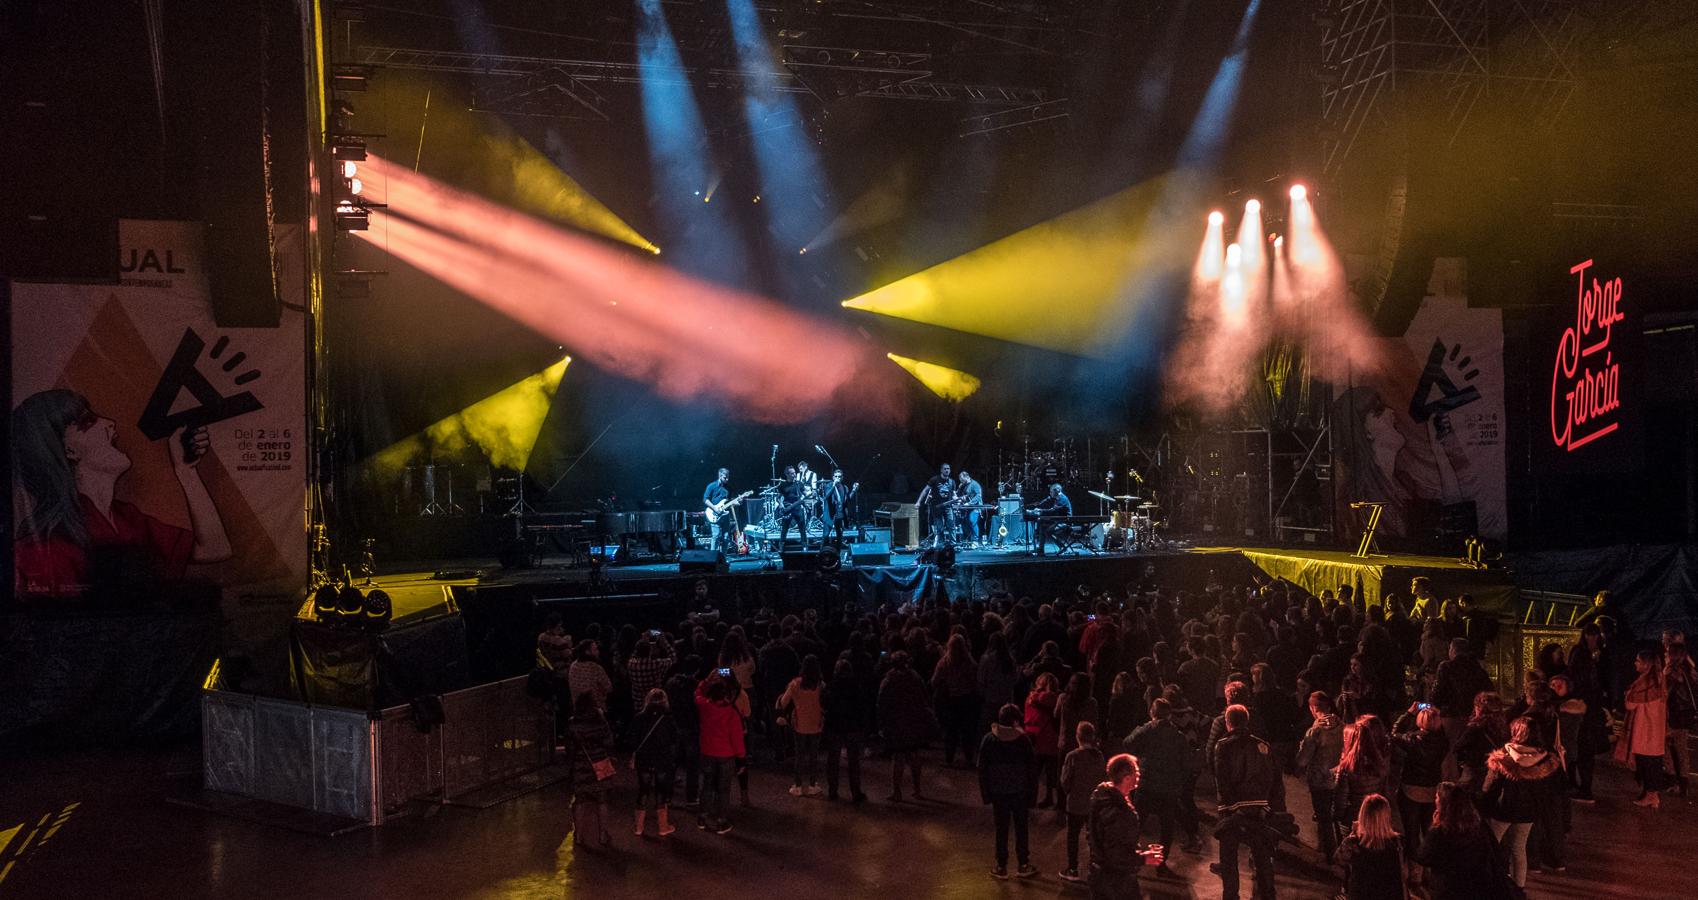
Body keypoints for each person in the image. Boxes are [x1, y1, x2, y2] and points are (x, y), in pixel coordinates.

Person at [11, 389, 232, 596]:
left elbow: (214, 549)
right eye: (87, 422)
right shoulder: (42, 552)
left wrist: (186, 471)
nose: (110, 423)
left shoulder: (127, 519)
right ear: (68, 450)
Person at [1212, 704, 1285, 900]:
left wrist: (1232, 808)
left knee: (1229, 857)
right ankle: (1268, 895)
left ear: (1228, 722)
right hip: (1259, 809)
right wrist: (1267, 806)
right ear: (1246, 721)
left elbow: (1222, 779)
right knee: (1262, 856)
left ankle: (1231, 896)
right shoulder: (1263, 745)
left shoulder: (1224, 745)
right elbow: (1274, 778)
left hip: (1232, 811)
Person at [1479, 716, 1559, 890]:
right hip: (1528, 812)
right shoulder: (1546, 760)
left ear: (1516, 732)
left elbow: (1490, 788)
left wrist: (1482, 807)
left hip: (1502, 810)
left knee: (1491, 846)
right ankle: (1518, 887)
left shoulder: (1503, 758)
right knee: (1519, 849)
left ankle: (1488, 883)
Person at [1123, 697, 1198, 869]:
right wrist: (1178, 781)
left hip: (1147, 784)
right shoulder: (1178, 736)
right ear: (1169, 715)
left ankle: (1130, 856)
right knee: (1167, 826)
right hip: (1169, 787)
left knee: (1136, 822)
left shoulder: (1147, 730)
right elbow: (1187, 763)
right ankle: (1161, 861)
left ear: (1152, 713)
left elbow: (1127, 743)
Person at [1087, 753, 1167, 900]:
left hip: (1098, 876)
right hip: (1116, 883)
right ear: (1127, 778)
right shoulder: (1119, 812)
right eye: (1136, 772)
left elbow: (1094, 837)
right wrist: (1144, 858)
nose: (1139, 776)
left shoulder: (1101, 797)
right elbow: (1116, 855)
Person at [1414, 782, 1511, 900]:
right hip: (1476, 886)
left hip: (1449, 888)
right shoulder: (1478, 826)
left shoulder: (1441, 831)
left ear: (1443, 803)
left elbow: (1423, 856)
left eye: (1437, 798)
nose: (1435, 800)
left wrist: (1434, 827)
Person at [978, 703, 1039, 879]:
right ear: (1015, 721)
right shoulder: (1023, 740)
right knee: (1021, 828)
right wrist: (1032, 795)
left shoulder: (989, 740)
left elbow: (982, 768)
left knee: (1001, 828)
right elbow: (1031, 770)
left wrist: (986, 793)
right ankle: (1023, 864)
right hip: (1020, 791)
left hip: (998, 792)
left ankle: (1001, 865)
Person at [1390, 703, 1448, 866]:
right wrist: (1436, 714)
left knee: (1412, 832)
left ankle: (1415, 871)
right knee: (1430, 830)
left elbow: (1393, 734)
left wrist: (1408, 713)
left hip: (1411, 788)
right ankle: (1430, 867)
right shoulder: (1443, 742)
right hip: (1431, 789)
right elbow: (1441, 732)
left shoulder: (1411, 739)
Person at [878, 650, 939, 802]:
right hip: (914, 720)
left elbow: (882, 703)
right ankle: (917, 789)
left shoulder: (889, 680)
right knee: (914, 754)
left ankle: (896, 791)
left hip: (896, 722)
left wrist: (882, 723)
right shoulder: (915, 677)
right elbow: (925, 697)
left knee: (898, 756)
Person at [694, 670, 746, 834]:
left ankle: (702, 817)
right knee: (724, 788)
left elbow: (697, 692)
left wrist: (709, 678)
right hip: (726, 754)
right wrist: (741, 758)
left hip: (707, 752)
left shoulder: (704, 706)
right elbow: (737, 739)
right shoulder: (731, 714)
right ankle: (721, 821)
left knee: (707, 785)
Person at [1295, 691, 1346, 859]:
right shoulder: (1343, 726)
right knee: (1338, 815)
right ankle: (1341, 849)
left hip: (1319, 779)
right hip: (1340, 776)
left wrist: (1302, 748)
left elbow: (1303, 760)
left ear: (1313, 708)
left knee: (1324, 818)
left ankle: (1331, 855)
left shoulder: (1314, 731)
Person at [626, 687, 680, 837]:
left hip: (644, 759)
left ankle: (639, 826)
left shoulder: (640, 717)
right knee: (661, 791)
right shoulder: (668, 718)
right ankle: (663, 826)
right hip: (662, 759)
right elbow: (675, 739)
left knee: (643, 790)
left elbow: (631, 739)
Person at [1059, 721, 1107, 882]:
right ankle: (1095, 868)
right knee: (1093, 837)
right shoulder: (1099, 756)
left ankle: (1072, 868)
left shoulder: (1073, 756)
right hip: (1094, 803)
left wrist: (1069, 792)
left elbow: (1065, 781)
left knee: (1073, 836)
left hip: (1075, 803)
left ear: (1077, 737)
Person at [567, 690, 616, 846]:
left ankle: (579, 836)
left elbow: (570, 748)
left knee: (580, 800)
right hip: (600, 763)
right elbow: (609, 742)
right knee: (602, 800)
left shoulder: (573, 723)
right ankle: (602, 835)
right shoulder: (600, 721)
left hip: (580, 765)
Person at [1335, 793, 1405, 900]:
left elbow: (1339, 859)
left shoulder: (1355, 843)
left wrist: (1353, 833)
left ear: (1363, 816)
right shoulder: (1398, 842)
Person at [1622, 647, 1669, 808]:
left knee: (1646, 764)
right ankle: (1650, 794)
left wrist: (1628, 694)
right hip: (1655, 730)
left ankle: (1651, 795)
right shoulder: (1659, 681)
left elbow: (1630, 704)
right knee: (1653, 763)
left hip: (1645, 730)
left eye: (1638, 661)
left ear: (1645, 665)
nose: (1635, 663)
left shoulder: (1644, 684)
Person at [1431, 638, 1494, 752]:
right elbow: (1489, 689)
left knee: (1450, 751)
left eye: (1450, 648)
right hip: (1473, 715)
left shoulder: (1446, 667)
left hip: (1451, 716)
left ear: (1453, 650)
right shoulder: (1476, 668)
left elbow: (1436, 695)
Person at [777, 654, 827, 796]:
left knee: (799, 755)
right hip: (816, 723)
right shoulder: (820, 685)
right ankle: (812, 784)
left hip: (799, 723)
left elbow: (783, 702)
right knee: (814, 755)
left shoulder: (795, 684)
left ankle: (798, 785)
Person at [822, 657, 870, 803]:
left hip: (835, 726)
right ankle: (855, 792)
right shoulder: (856, 686)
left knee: (833, 760)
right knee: (854, 761)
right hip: (852, 726)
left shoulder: (831, 686)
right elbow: (862, 706)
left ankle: (832, 791)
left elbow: (824, 703)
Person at [932, 633, 980, 767]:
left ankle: (949, 759)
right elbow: (975, 682)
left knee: (950, 730)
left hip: (950, 700)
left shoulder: (944, 662)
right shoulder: (969, 663)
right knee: (967, 730)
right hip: (967, 699)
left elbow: (934, 681)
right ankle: (969, 758)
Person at [1334, 716, 1390, 829]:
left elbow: (1341, 799)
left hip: (1353, 817)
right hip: (1373, 815)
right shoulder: (1379, 763)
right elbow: (1384, 791)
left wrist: (1337, 816)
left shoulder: (1347, 767)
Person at [1025, 671, 1064, 807]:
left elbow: (1029, 717)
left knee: (1033, 773)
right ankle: (1050, 798)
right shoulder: (1059, 698)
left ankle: (1030, 799)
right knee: (1051, 774)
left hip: (1037, 738)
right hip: (1053, 739)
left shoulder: (1033, 698)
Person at [1664, 639, 1697, 799]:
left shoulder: (1671, 672)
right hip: (1686, 715)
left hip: (1673, 714)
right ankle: (1684, 785)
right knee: (1682, 750)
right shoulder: (1690, 671)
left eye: (1667, 651)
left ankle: (1672, 780)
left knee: (1664, 746)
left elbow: (1665, 695)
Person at [1026, 483, 1073, 556]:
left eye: (1051, 492)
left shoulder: (1062, 499)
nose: (1050, 493)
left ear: (1057, 490)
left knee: (1047, 531)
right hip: (1059, 520)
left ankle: (1062, 547)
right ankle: (1041, 549)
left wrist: (1040, 510)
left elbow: (1053, 510)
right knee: (1042, 526)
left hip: (1065, 522)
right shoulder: (1058, 498)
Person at [915, 462, 956, 543]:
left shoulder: (952, 482)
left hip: (948, 507)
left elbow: (954, 494)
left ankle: (953, 544)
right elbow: (925, 490)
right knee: (939, 527)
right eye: (945, 469)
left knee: (951, 525)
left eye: (948, 469)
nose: (947, 470)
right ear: (941, 470)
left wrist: (957, 499)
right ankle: (940, 544)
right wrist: (918, 502)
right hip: (937, 507)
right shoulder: (934, 479)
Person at [817, 469, 858, 548]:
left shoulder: (844, 487)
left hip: (839, 515)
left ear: (842, 478)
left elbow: (848, 499)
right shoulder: (829, 485)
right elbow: (827, 496)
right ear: (833, 477)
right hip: (830, 514)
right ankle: (821, 553)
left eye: (839, 477)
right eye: (836, 476)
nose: (837, 478)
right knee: (825, 535)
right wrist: (833, 486)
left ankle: (837, 554)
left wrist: (853, 490)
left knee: (839, 535)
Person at [568, 639, 613, 712]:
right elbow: (608, 687)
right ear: (587, 652)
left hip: (577, 708)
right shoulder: (595, 668)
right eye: (595, 649)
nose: (598, 652)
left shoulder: (573, 665)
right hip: (595, 709)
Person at [702, 467, 739, 553]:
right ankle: (712, 559)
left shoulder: (729, 488)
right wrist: (714, 508)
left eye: (728, 477)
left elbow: (728, 503)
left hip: (725, 515)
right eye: (725, 477)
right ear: (720, 476)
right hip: (714, 513)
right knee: (716, 536)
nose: (727, 479)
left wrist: (735, 503)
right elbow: (705, 500)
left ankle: (723, 559)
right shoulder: (711, 486)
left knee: (726, 537)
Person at [776, 465, 810, 548]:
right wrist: (781, 505)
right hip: (787, 508)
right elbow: (778, 498)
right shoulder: (783, 485)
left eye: (795, 473)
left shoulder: (799, 483)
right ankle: (781, 546)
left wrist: (809, 494)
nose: (794, 475)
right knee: (784, 529)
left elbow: (805, 494)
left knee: (802, 529)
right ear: (787, 475)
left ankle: (804, 546)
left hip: (798, 508)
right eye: (792, 473)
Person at [956, 468, 984, 545]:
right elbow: (959, 494)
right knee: (964, 522)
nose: (961, 481)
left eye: (962, 480)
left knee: (972, 520)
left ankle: (975, 540)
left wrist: (970, 503)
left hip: (975, 507)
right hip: (967, 507)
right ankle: (969, 539)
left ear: (967, 477)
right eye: (960, 480)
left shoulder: (975, 484)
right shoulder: (963, 485)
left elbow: (978, 496)